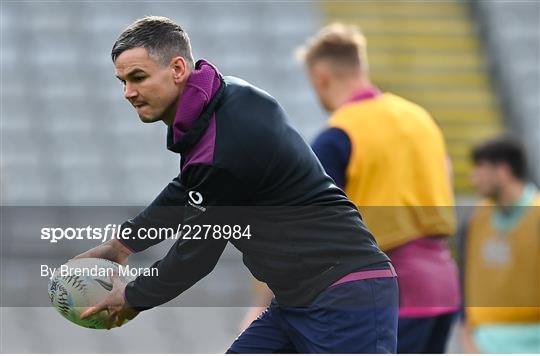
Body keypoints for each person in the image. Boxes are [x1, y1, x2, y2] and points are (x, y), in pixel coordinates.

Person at [75, 16, 399, 353]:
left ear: (177, 68)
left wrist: (131, 297)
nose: (128, 92)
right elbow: (191, 186)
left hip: (344, 296)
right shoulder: (223, 99)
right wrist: (123, 244)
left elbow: (196, 255)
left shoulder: (224, 145)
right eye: (122, 81)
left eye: (138, 78)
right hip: (296, 300)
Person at [298, 23, 460, 353]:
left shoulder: (340, 134)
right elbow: (446, 175)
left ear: (320, 76)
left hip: (389, 292)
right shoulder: (420, 119)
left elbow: (309, 224)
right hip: (443, 288)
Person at [460, 135, 540, 353]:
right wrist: (467, 333)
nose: (473, 177)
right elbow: (469, 277)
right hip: (483, 342)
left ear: (503, 171)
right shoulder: (478, 217)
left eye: (480, 168)